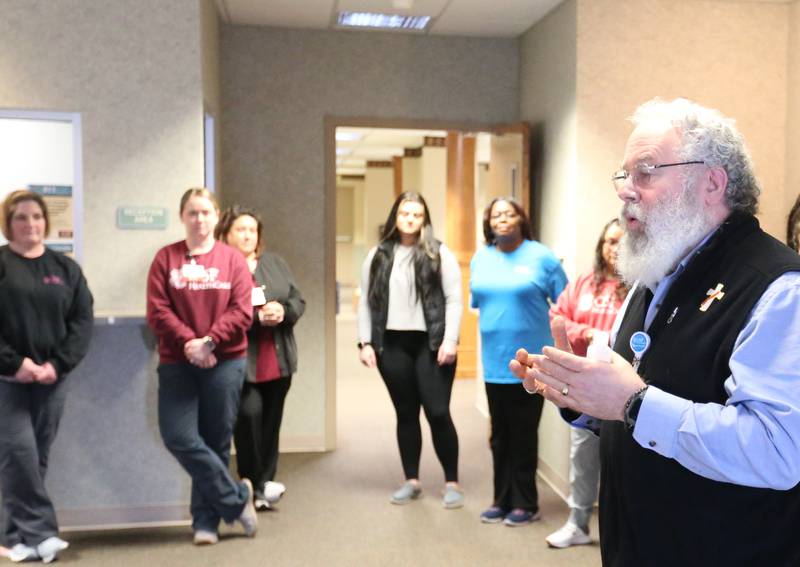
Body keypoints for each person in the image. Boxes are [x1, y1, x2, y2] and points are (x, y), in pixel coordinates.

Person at [511, 98, 800, 565]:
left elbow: (778, 450)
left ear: (712, 182)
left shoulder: (780, 289)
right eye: (624, 175)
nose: (626, 190)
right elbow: (640, 406)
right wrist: (584, 400)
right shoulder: (654, 276)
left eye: (646, 172)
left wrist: (633, 403)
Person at [146, 188, 257, 545]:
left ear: (216, 216)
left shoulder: (232, 260)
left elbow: (242, 310)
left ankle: (205, 522)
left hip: (225, 361)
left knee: (215, 441)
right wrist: (189, 344)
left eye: (206, 212)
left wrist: (209, 342)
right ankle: (237, 499)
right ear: (183, 217)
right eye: (192, 213)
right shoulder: (166, 259)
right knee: (179, 436)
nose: (199, 219)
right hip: (178, 362)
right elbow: (158, 310)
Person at [0, 190, 93, 563]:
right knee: (18, 453)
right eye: (21, 217)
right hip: (6, 381)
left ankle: (12, 538)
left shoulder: (64, 268)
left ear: (46, 221)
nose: (30, 224)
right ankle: (43, 532)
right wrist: (14, 364)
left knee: (32, 458)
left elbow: (82, 322)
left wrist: (57, 364)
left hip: (52, 380)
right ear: (8, 224)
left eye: (36, 216)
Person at [357, 191, 464, 508]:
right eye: (405, 214)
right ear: (395, 216)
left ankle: (452, 482)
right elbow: (366, 300)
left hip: (431, 345)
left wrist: (451, 340)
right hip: (392, 345)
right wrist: (365, 342)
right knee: (405, 413)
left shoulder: (438, 253)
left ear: (424, 219)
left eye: (417, 215)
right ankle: (411, 480)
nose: (410, 220)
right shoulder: (378, 254)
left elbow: (454, 299)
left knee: (438, 411)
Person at [470, 197, 567, 527]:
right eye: (495, 214)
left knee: (524, 433)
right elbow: (478, 302)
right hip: (494, 362)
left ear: (521, 219)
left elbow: (565, 302)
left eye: (509, 213)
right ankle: (501, 498)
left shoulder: (541, 257)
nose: (502, 219)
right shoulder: (481, 258)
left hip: (529, 363)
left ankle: (526, 501)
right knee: (499, 434)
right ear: (489, 222)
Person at [215, 205, 305, 511]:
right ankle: (251, 480)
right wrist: (255, 317)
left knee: (271, 422)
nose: (247, 235)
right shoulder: (220, 268)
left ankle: (265, 483)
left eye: (252, 230)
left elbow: (297, 299)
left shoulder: (274, 264)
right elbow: (217, 312)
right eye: (240, 230)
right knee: (249, 416)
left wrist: (283, 311)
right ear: (226, 234)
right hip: (240, 360)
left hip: (277, 358)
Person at [544, 219, 626, 547]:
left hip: (622, 386)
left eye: (621, 241)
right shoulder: (583, 284)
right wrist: (587, 333)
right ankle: (578, 523)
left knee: (622, 461)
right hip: (583, 385)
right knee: (583, 453)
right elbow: (559, 319)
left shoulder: (642, 284)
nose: (614, 249)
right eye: (609, 242)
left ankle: (621, 530)